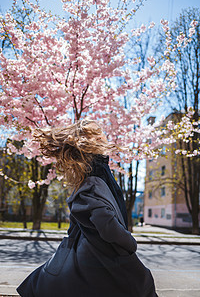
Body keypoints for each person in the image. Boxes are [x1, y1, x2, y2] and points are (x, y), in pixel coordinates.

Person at [17, 118, 158, 297]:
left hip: (97, 253)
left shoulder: (94, 175)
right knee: (140, 286)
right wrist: (129, 242)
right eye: (99, 134)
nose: (104, 136)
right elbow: (105, 222)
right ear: (92, 142)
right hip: (104, 254)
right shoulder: (94, 180)